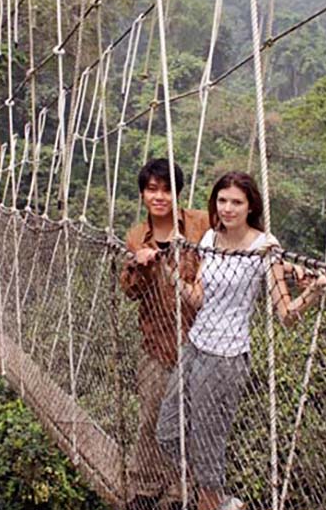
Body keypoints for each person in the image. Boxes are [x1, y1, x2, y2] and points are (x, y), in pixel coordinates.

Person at [156, 171, 326, 510]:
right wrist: (171, 277)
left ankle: (213, 501)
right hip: (195, 347)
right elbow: (198, 298)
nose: (227, 208)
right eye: (222, 200)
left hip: (226, 357)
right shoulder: (210, 239)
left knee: (208, 444)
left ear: (250, 205)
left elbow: (285, 313)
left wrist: (313, 291)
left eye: (236, 202)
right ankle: (220, 499)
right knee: (167, 433)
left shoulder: (263, 248)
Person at [120, 158, 210, 510]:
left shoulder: (201, 225)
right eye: (152, 189)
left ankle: (178, 493)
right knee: (151, 416)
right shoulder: (135, 236)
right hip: (156, 341)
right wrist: (138, 265)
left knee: (188, 421)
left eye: (167, 190)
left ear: (178, 193)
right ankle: (145, 486)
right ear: (143, 193)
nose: (160, 197)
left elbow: (236, 237)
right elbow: (130, 293)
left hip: (199, 339)